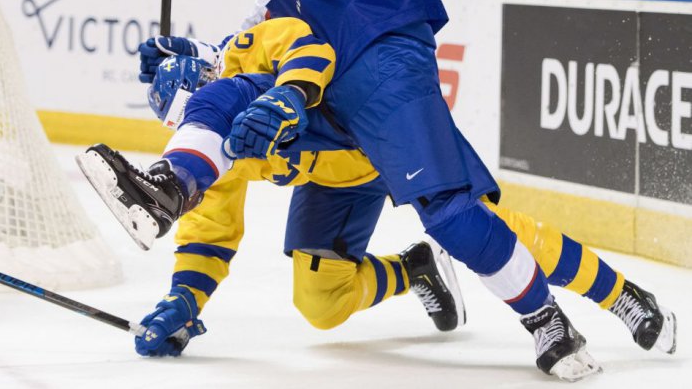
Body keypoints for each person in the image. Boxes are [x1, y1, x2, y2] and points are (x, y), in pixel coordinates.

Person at [81, 0, 663, 380]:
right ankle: (170, 187)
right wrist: (193, 59)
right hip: (329, 121)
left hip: (380, 63)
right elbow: (247, 49)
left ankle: (590, 304)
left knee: (456, 216)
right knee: (316, 290)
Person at [83, 18, 676, 360]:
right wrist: (185, 301)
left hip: (384, 130)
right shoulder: (212, 152)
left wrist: (286, 94)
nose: (201, 132)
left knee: (489, 235)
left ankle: (623, 295)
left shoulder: (249, 48)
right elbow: (209, 230)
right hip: (336, 180)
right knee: (320, 303)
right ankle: (416, 270)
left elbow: (308, 47)